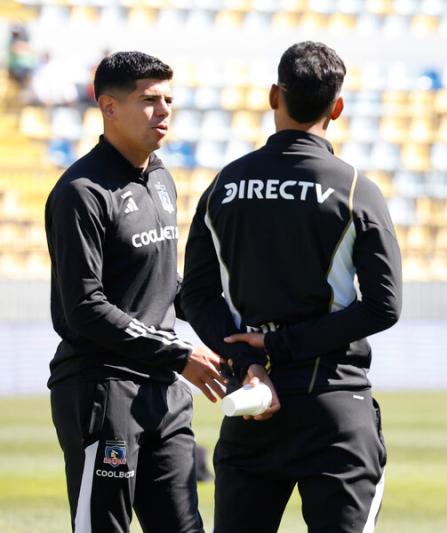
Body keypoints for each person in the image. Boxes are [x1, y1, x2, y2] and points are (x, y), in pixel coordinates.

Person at [179, 41, 402, 533]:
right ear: (337, 107)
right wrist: (285, 344)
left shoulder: (224, 185)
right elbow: (384, 306)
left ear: (273, 96)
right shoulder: (355, 189)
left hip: (254, 403)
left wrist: (252, 360)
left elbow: (194, 295)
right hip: (335, 406)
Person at [44, 51, 225, 533]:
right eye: (149, 100)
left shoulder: (162, 179)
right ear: (108, 107)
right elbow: (85, 307)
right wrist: (177, 352)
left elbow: (168, 286)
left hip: (164, 394)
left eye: (168, 99)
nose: (164, 110)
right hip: (103, 391)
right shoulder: (81, 192)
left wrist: (231, 330)